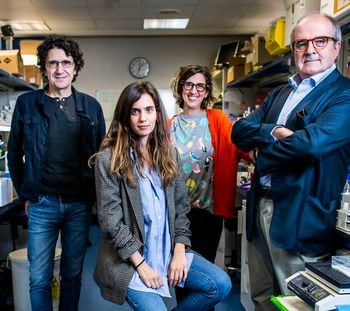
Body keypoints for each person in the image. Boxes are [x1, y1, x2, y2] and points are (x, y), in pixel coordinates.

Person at [231, 13, 350, 310]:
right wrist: (273, 131)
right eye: (301, 43)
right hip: (261, 207)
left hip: (301, 215)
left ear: (336, 46)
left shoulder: (344, 94)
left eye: (320, 41)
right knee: (262, 297)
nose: (310, 49)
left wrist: (262, 155)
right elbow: (239, 130)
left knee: (296, 302)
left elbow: (312, 144)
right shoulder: (280, 93)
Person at [91, 81, 231, 310]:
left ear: (157, 112)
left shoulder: (168, 155)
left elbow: (181, 208)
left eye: (149, 110)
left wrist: (178, 252)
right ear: (125, 116)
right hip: (131, 261)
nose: (142, 118)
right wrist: (142, 266)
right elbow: (110, 223)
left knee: (220, 284)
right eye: (134, 111)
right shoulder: (109, 159)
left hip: (167, 253)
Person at [7, 35, 106, 310]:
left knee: (72, 275)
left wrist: (99, 198)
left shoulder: (90, 107)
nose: (59, 69)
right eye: (53, 63)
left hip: (78, 203)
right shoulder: (27, 104)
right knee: (38, 278)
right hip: (42, 203)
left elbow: (103, 158)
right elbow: (13, 152)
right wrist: (25, 193)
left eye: (66, 62)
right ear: (44, 67)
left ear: (75, 68)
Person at [169, 65, 250, 264]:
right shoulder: (169, 125)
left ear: (206, 92)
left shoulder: (217, 119)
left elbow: (240, 146)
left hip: (207, 212)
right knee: (180, 273)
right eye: (188, 84)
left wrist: (274, 154)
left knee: (204, 270)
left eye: (200, 86)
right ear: (180, 88)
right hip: (176, 213)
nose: (194, 91)